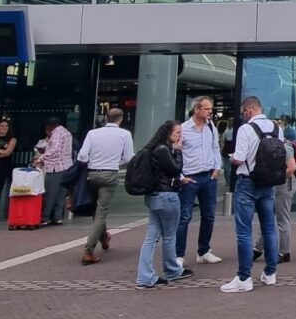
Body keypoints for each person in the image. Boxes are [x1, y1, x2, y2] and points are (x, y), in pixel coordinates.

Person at [221, 96, 282, 293]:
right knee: (269, 228)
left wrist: (231, 158)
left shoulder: (246, 129)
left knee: (244, 231)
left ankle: (244, 277)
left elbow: (239, 159)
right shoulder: (276, 128)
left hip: (247, 182)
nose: (243, 116)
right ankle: (271, 273)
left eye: (243, 112)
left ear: (249, 109)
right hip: (269, 183)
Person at [135, 121, 196, 289]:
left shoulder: (154, 149)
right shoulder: (164, 150)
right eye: (177, 132)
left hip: (155, 196)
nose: (179, 136)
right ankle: (171, 270)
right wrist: (178, 151)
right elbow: (176, 169)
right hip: (166, 196)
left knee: (152, 235)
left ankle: (146, 275)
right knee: (169, 235)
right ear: (168, 133)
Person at [77, 109, 134, 265]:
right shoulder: (124, 135)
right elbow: (129, 157)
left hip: (92, 174)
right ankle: (88, 251)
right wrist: (115, 162)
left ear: (106, 118)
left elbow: (82, 156)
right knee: (101, 212)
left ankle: (104, 239)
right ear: (120, 119)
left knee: (98, 210)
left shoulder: (92, 133)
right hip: (110, 174)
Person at [176, 96, 223, 267]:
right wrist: (181, 176)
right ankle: (178, 254)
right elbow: (176, 153)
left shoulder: (211, 126)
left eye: (210, 109)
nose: (210, 111)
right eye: (207, 108)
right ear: (196, 110)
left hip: (208, 176)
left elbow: (215, 147)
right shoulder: (183, 129)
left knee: (209, 215)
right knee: (184, 216)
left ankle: (203, 251)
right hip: (190, 177)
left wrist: (217, 167)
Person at [254, 139, 296, 263]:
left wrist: (277, 179)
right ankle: (258, 248)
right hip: (276, 183)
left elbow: (292, 167)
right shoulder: (273, 145)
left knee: (282, 218)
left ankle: (284, 251)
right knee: (268, 217)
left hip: (283, 185)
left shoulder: (284, 146)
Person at [35, 118, 74, 225]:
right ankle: (57, 216)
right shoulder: (66, 132)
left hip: (55, 167)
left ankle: (45, 217)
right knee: (61, 194)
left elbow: (54, 149)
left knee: (50, 193)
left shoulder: (56, 133)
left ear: (49, 126)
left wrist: (41, 157)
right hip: (66, 166)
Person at [0, 118, 17, 217]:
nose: (4, 128)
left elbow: (7, 152)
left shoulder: (12, 139)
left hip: (3, 167)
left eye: (6, 126)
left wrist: (2, 152)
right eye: (2, 125)